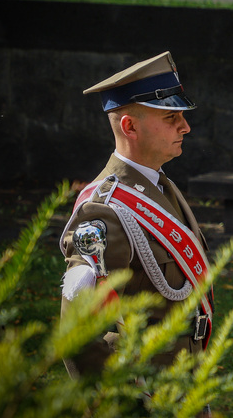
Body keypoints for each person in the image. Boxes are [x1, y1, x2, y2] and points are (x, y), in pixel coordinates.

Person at [59, 51, 213, 382]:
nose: (185, 127)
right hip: (143, 384)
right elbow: (78, 331)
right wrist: (115, 401)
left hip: (182, 372)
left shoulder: (160, 185)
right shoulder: (103, 211)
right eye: (171, 118)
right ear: (129, 126)